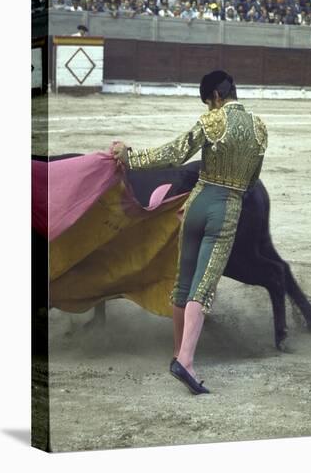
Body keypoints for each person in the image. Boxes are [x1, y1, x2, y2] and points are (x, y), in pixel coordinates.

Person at [112, 70, 268, 395]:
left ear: (215, 97)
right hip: (225, 209)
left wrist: (131, 158)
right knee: (203, 286)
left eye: (208, 102)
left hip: (196, 205)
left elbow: (176, 153)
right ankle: (186, 360)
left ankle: (176, 353)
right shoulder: (260, 130)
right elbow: (252, 181)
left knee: (183, 281)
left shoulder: (212, 122)